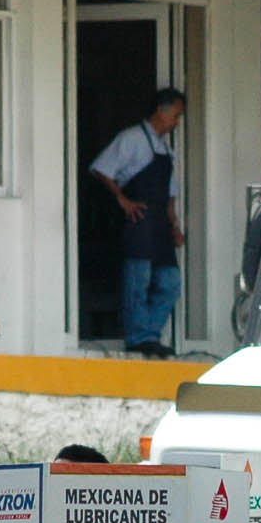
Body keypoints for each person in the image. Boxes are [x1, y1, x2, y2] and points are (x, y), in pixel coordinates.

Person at [89, 88, 187, 357]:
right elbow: (101, 168)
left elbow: (170, 193)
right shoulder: (131, 138)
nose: (177, 122)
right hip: (140, 219)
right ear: (162, 110)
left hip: (161, 223)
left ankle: (150, 334)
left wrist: (175, 225)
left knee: (170, 282)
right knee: (138, 281)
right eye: (176, 115)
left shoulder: (166, 148)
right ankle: (138, 338)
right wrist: (122, 199)